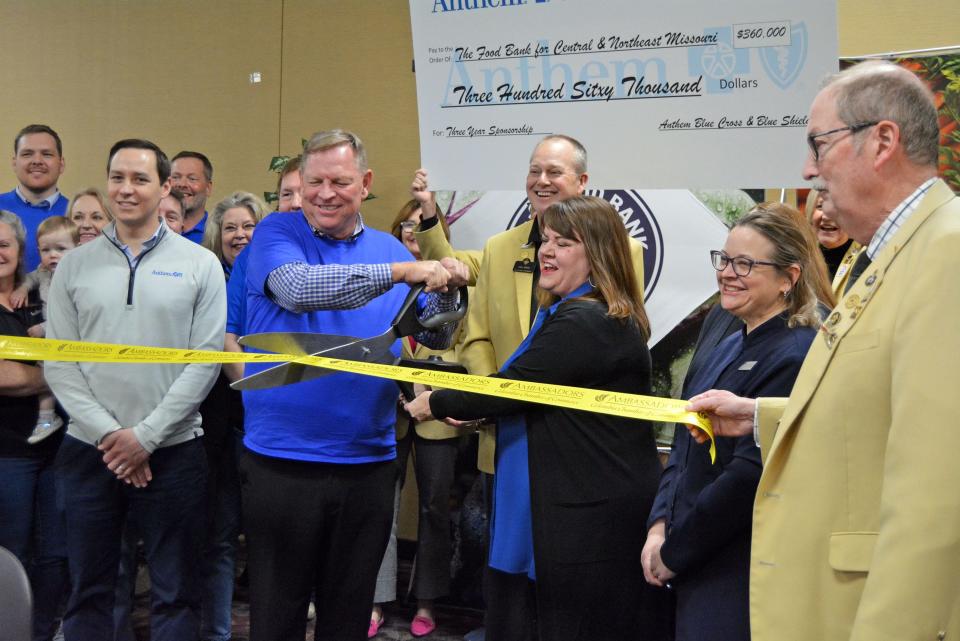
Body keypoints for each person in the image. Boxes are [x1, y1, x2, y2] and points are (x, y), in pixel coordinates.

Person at [685, 60, 960, 641]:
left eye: (820, 144)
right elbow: (876, 410)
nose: (809, 170)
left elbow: (936, 493)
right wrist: (759, 417)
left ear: (882, 141)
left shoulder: (947, 251)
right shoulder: (886, 254)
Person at [412, 134, 646, 638]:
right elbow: (479, 334)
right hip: (525, 464)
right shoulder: (556, 304)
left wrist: (438, 401)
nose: (549, 251)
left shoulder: (586, 319)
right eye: (548, 242)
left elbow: (517, 385)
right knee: (516, 601)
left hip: (575, 496)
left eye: (565, 244)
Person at [240, 129, 468, 641]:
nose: (324, 194)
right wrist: (407, 270)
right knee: (277, 618)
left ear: (364, 183)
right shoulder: (277, 234)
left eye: (339, 181)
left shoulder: (388, 248)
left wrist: (448, 284)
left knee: (348, 618)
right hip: (282, 463)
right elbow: (298, 289)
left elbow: (440, 329)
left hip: (367, 466)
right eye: (312, 182)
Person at [45, 138, 227, 640]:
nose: (126, 189)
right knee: (90, 591)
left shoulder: (200, 265)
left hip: (173, 453)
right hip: (90, 452)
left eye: (140, 179)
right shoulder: (75, 267)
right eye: (118, 177)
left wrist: (144, 437)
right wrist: (113, 437)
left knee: (176, 594)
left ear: (166, 187)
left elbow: (204, 362)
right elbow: (60, 364)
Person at [642, 204, 823, 641]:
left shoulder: (797, 354)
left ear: (789, 278)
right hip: (691, 559)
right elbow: (684, 450)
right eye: (723, 260)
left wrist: (677, 550)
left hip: (738, 572)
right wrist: (658, 525)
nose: (727, 273)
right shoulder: (725, 345)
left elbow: (748, 478)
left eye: (744, 264)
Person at [370, 199, 461, 639]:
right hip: (385, 409)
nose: (412, 231)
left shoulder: (455, 280)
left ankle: (427, 600)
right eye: (404, 224)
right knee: (380, 507)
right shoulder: (383, 278)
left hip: (436, 411)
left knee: (433, 507)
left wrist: (431, 391)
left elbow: (463, 346)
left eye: (421, 224)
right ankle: (376, 600)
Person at [198, 190, 266, 641]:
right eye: (230, 228)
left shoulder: (277, 281)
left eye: (248, 226)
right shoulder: (203, 281)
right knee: (219, 541)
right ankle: (217, 634)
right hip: (219, 431)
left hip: (269, 428)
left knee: (268, 544)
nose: (239, 235)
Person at [0, 210, 70, 641]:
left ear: (20, 251)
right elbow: (5, 378)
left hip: (59, 450)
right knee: (13, 551)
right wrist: (59, 374)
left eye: (4, 244)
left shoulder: (42, 294)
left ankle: (43, 631)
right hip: (7, 453)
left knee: (56, 555)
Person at [223, 155, 301, 383]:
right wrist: (255, 393)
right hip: (264, 401)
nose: (295, 203)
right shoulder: (251, 254)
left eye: (303, 192)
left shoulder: (343, 253)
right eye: (287, 194)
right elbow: (229, 337)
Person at [9, 216, 79, 443]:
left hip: (70, 336)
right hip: (52, 341)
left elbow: (76, 317)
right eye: (45, 250)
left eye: (61, 249)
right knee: (43, 368)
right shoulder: (44, 272)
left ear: (77, 249)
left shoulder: (76, 277)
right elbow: (31, 278)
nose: (53, 255)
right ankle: (47, 418)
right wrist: (21, 289)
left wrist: (43, 327)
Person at [0, 125, 68, 270]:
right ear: (14, 162)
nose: (37, 161)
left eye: (47, 154)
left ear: (61, 164)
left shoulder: (76, 214)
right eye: (27, 154)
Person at [805, 188, 863, 294]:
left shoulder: (865, 259)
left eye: (837, 208)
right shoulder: (800, 257)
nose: (826, 216)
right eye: (820, 206)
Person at [170, 150, 214, 243]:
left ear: (208, 188)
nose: (182, 184)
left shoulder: (217, 234)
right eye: (176, 177)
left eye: (192, 179)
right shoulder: (152, 230)